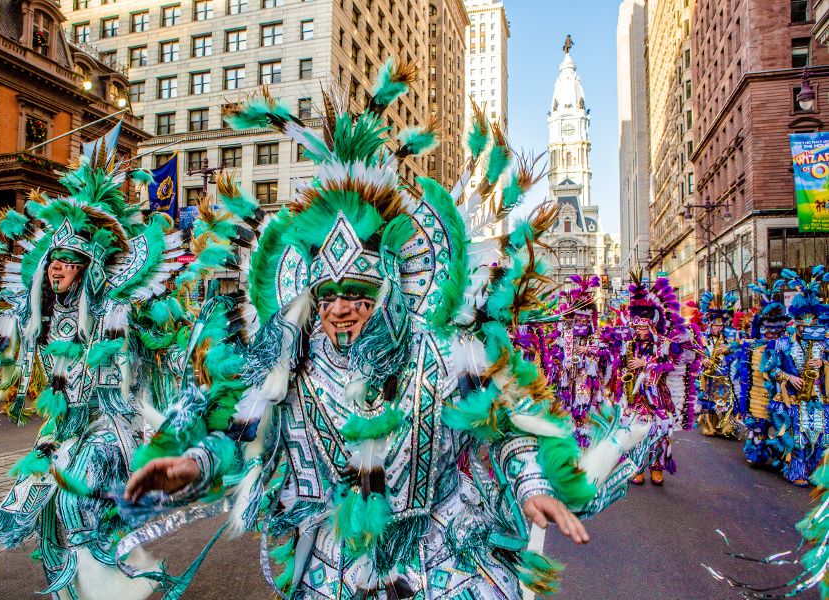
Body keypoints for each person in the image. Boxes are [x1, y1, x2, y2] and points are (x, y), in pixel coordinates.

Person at [117, 63, 652, 598]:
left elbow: (505, 430)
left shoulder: (442, 353)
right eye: (327, 296)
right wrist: (191, 467)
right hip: (334, 569)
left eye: (358, 295)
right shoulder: (291, 366)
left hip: (440, 555)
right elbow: (237, 437)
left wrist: (532, 486)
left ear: (391, 291)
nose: (340, 310)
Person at [0, 142, 185, 598]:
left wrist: (157, 327)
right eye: (53, 262)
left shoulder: (114, 311)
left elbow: (156, 344)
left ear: (87, 269)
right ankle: (87, 585)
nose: (57, 270)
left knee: (74, 495)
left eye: (68, 263)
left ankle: (107, 585)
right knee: (50, 513)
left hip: (113, 423)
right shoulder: (39, 315)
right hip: (63, 428)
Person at [769, 268, 829, 485]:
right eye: (804, 319)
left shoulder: (824, 343)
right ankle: (796, 471)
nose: (808, 323)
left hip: (817, 397)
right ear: (797, 320)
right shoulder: (784, 342)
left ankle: (815, 472)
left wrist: (823, 363)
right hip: (793, 397)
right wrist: (789, 378)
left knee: (821, 435)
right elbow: (771, 370)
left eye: (812, 319)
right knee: (798, 436)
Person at [619, 273, 677, 486]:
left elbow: (670, 364)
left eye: (645, 327)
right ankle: (637, 467)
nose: (641, 331)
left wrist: (646, 365)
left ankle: (656, 467)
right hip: (634, 396)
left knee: (658, 432)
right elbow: (620, 363)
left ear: (652, 324)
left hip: (656, 396)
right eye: (638, 327)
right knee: (634, 431)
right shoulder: (630, 342)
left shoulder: (662, 342)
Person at [548, 275, 615, 447]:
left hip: (588, 385)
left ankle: (587, 444)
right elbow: (555, 355)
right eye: (579, 319)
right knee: (568, 413)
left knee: (587, 413)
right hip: (569, 383)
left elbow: (607, 354)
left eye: (585, 319)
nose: (582, 322)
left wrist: (589, 351)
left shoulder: (595, 335)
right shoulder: (566, 335)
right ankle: (570, 445)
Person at [734, 279, 789, 468]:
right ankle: (757, 452)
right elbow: (743, 372)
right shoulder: (752, 347)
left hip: (781, 395)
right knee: (758, 426)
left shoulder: (787, 347)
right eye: (768, 332)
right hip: (757, 394)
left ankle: (781, 455)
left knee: (782, 427)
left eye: (776, 332)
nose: (772, 336)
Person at [697, 291, 739, 438]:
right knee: (708, 402)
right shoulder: (703, 338)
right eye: (715, 325)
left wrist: (729, 350)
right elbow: (696, 353)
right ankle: (709, 426)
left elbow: (738, 352)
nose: (718, 328)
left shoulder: (729, 338)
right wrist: (703, 360)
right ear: (710, 324)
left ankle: (727, 427)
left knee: (727, 402)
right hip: (708, 375)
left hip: (725, 375)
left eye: (721, 325)